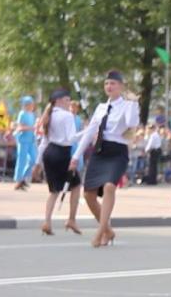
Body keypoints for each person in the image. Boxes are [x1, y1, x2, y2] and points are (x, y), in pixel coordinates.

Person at [71, 70, 140, 248]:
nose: (109, 86)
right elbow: (90, 132)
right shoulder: (101, 108)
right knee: (88, 194)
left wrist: (133, 102)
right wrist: (76, 155)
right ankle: (108, 230)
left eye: (113, 83)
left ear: (121, 86)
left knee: (109, 186)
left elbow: (132, 123)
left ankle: (101, 231)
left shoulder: (127, 105)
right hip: (100, 151)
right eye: (107, 83)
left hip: (117, 151)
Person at [36, 89, 83, 236]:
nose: (69, 103)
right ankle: (71, 219)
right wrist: (87, 132)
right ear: (60, 101)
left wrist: (38, 163)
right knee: (76, 185)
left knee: (54, 190)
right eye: (68, 100)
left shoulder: (49, 115)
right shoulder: (67, 116)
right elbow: (70, 138)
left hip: (49, 153)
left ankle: (47, 222)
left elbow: (44, 141)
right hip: (62, 153)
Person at [12, 95, 38, 191]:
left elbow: (33, 127)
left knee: (33, 160)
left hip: (31, 140)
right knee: (22, 161)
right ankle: (18, 181)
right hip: (23, 140)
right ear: (26, 105)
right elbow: (20, 127)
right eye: (30, 104)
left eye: (32, 104)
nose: (32, 106)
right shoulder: (22, 114)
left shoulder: (32, 114)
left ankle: (22, 178)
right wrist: (31, 128)